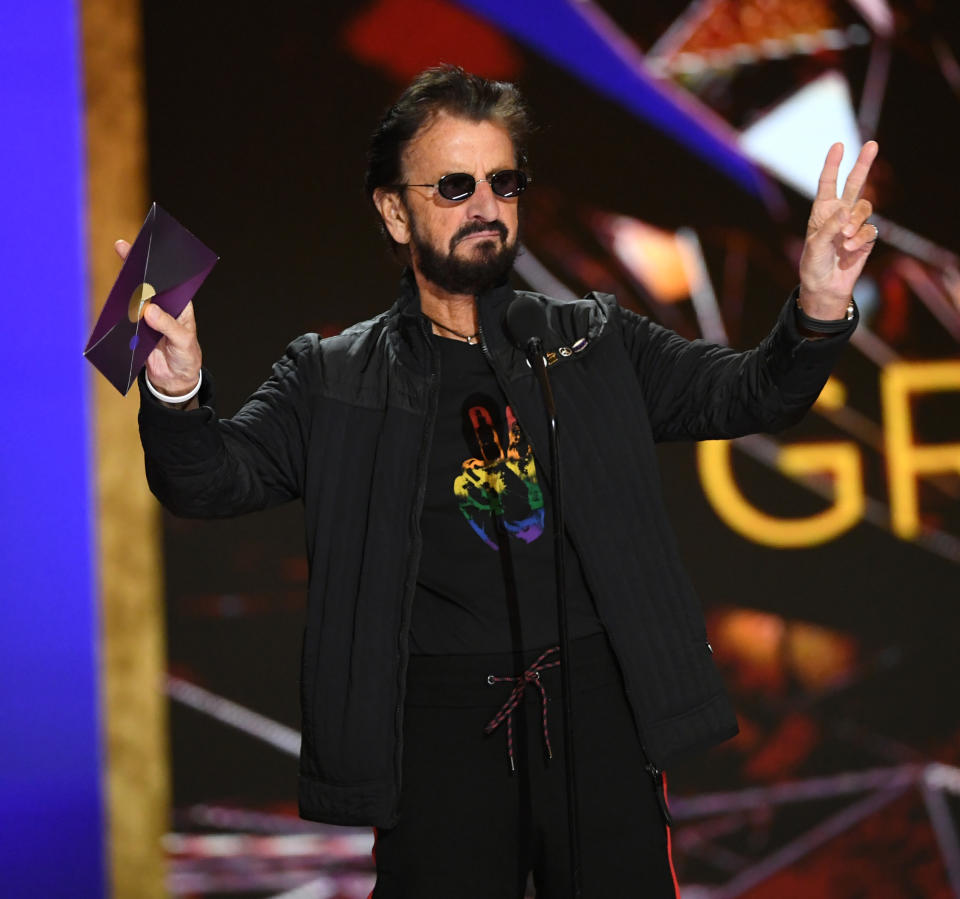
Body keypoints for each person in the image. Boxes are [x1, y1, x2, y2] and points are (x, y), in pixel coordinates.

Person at [127, 66, 878, 897]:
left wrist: (815, 308)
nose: (486, 205)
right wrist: (176, 387)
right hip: (439, 734)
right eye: (454, 186)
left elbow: (754, 390)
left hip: (599, 715)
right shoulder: (334, 375)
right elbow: (209, 481)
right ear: (393, 209)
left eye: (504, 181)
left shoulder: (592, 341)